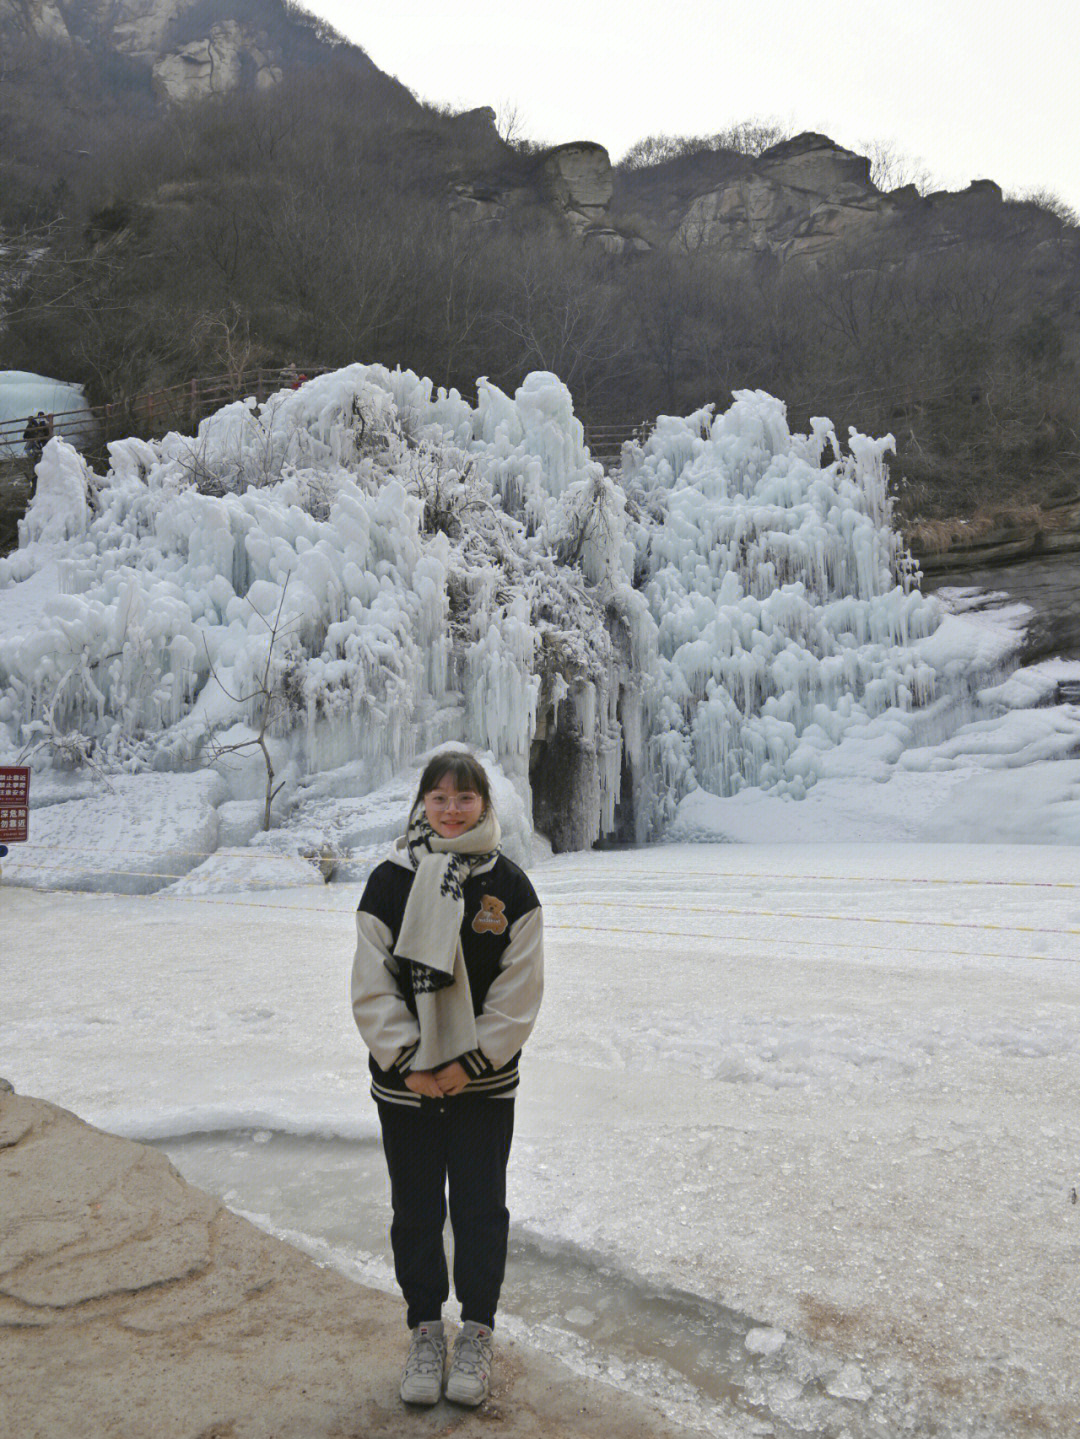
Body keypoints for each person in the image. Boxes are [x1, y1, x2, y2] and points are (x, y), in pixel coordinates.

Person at [351, 751, 543, 1408]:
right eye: (440, 797)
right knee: (416, 1211)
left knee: (480, 1211)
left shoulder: (511, 887)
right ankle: (426, 1329)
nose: (452, 809)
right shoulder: (387, 882)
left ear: (485, 804)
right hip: (405, 1089)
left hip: (482, 1089)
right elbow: (371, 985)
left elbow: (519, 993)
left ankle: (478, 1331)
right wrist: (411, 1060)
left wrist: (468, 1062)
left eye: (465, 798)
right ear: (423, 803)